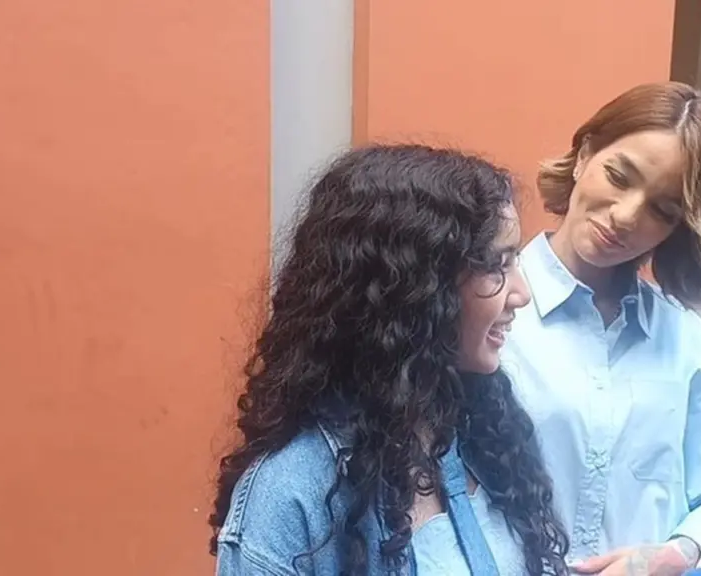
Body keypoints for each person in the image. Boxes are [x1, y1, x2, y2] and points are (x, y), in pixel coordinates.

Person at [208, 144, 570, 575]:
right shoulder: (290, 496)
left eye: (515, 260)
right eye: (497, 265)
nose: (522, 293)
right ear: (419, 292)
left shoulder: (486, 439)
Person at [500, 82, 701, 576]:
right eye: (619, 176)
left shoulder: (683, 339)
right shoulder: (490, 315)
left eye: (663, 210)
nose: (625, 216)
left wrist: (674, 554)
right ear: (584, 155)